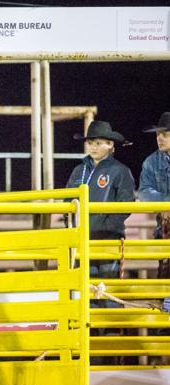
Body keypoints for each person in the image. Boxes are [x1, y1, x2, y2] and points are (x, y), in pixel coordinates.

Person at [66, 120, 135, 365]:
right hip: (81, 241)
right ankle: (88, 354)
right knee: (83, 295)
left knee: (106, 295)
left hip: (106, 241)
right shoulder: (79, 171)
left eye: (99, 143)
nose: (94, 147)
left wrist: (104, 225)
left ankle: (108, 355)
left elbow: (125, 205)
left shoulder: (119, 171)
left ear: (110, 145)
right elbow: (67, 199)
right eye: (91, 143)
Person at [138, 112, 170, 282]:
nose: (160, 138)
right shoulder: (151, 162)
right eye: (158, 134)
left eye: (164, 134)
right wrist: (166, 204)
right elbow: (144, 192)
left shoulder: (151, 162)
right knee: (165, 277)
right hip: (166, 229)